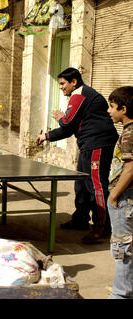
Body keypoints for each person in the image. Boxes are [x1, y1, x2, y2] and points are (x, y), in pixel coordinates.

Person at [36, 67, 119, 244]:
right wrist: (47, 136)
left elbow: (67, 123)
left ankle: (102, 229)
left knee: (96, 186)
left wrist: (59, 119)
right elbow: (70, 127)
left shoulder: (80, 94)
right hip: (87, 145)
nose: (60, 87)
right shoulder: (80, 96)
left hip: (98, 145)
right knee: (81, 183)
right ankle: (80, 219)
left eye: (63, 83)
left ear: (73, 82)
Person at [106, 86, 133, 299]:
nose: (109, 111)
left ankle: (121, 293)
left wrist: (114, 194)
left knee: (123, 247)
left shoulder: (129, 135)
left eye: (112, 107)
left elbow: (131, 168)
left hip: (124, 199)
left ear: (123, 109)